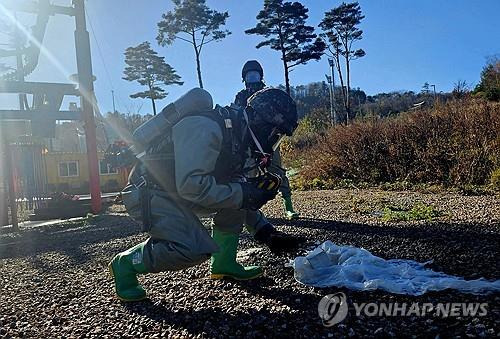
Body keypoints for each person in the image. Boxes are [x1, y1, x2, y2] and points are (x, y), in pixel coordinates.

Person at [109, 87, 298, 302]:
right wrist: (246, 193)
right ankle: (125, 263)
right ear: (260, 122)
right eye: (275, 134)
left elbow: (237, 193)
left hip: (175, 191)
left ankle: (224, 263)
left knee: (239, 193)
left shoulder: (239, 139)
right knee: (192, 248)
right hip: (149, 193)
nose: (273, 142)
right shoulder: (206, 127)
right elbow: (193, 186)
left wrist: (265, 231)